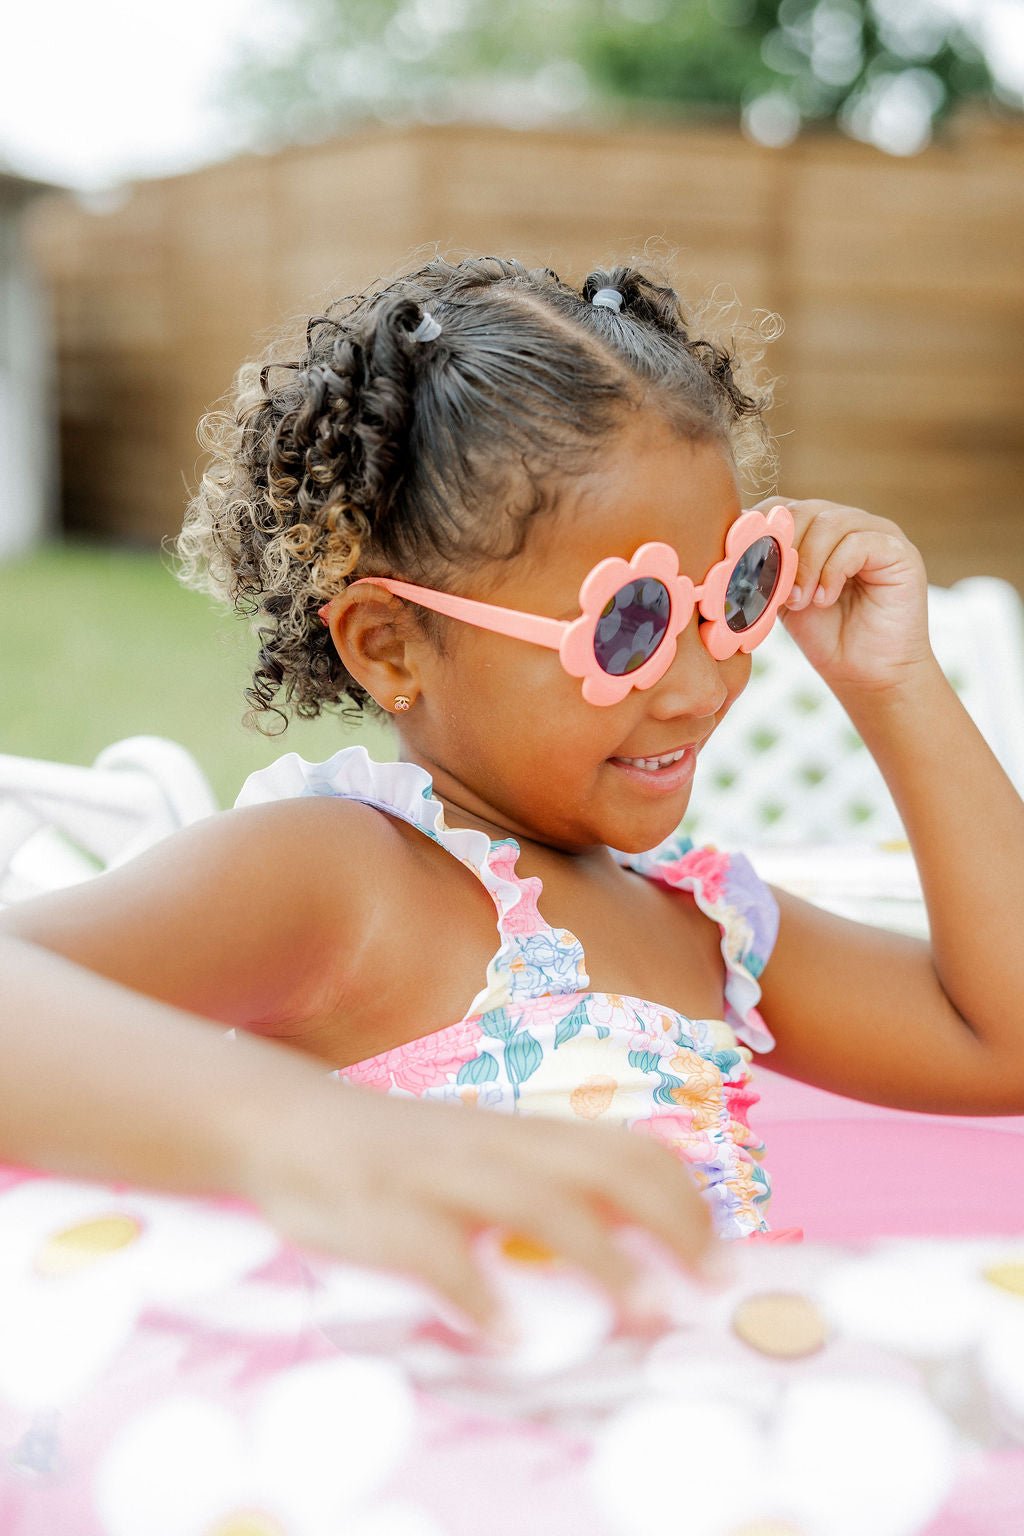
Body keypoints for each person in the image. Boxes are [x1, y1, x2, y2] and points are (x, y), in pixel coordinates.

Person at [3, 254, 1023, 1331]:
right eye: (629, 624)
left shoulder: (701, 925)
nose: (699, 685)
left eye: (733, 593)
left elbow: (1001, 1044)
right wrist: (302, 1134)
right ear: (389, 646)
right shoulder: (342, 879)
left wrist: (894, 683)